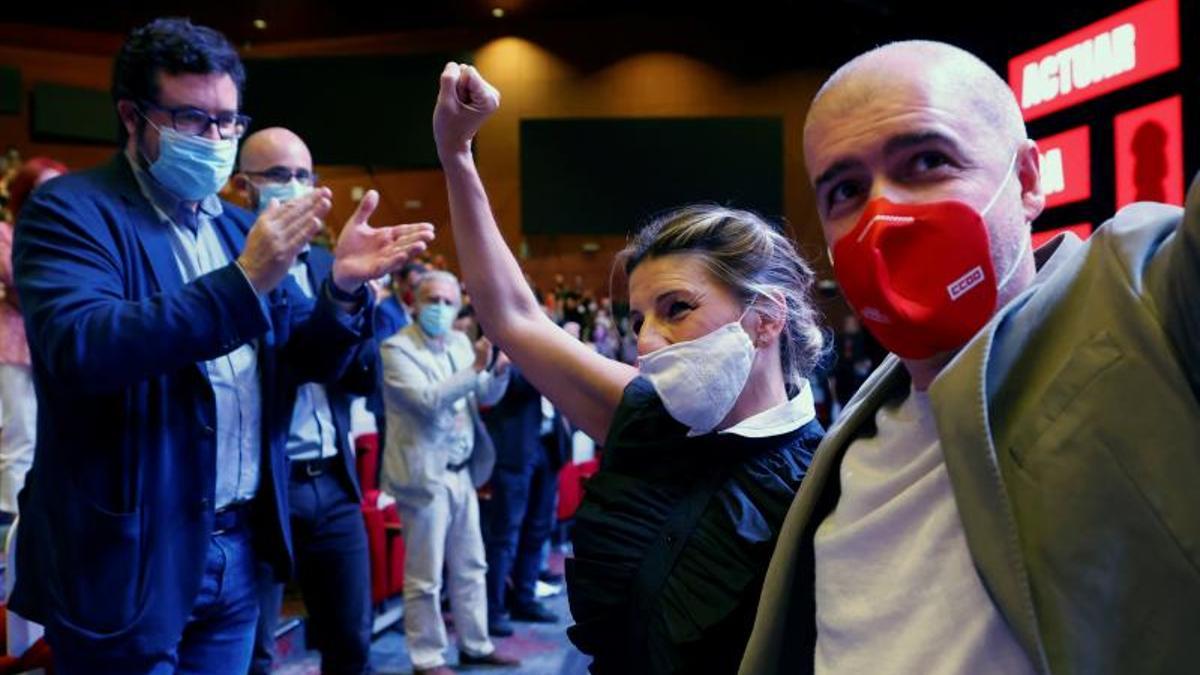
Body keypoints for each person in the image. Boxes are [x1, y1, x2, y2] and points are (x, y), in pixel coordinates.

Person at [740, 40, 1200, 675]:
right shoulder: (853, 451)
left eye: (926, 161)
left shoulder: (1147, 299)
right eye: (845, 190)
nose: (883, 212)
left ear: (1028, 180)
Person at [10, 18, 432, 673]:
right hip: (127, 552)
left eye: (228, 123)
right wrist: (245, 281)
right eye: (192, 120)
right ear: (133, 116)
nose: (215, 140)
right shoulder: (72, 211)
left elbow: (304, 360)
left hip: (238, 547)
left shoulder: (241, 227)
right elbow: (83, 346)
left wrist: (344, 289)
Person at [432, 63, 826, 673]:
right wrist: (458, 152)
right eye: (638, 318)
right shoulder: (643, 415)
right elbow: (513, 316)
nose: (648, 340)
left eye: (677, 309)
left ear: (766, 318)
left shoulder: (828, 478)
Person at [235, 127, 386, 675]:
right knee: (252, 649)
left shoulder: (329, 264)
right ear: (242, 187)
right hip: (262, 485)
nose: (294, 185)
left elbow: (366, 369)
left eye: (303, 174)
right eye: (278, 175)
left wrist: (361, 307)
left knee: (351, 638)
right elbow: (294, 360)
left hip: (333, 481)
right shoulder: (234, 267)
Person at [380, 270, 518, 675]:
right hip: (423, 476)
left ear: (459, 306)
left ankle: (475, 644)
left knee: (472, 565)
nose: (438, 308)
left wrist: (498, 371)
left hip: (462, 471)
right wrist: (476, 366)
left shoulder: (460, 342)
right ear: (414, 303)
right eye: (430, 300)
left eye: (446, 301)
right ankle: (427, 658)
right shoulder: (396, 348)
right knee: (425, 576)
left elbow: (484, 396)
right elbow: (428, 401)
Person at [0, 157, 65, 523]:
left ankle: (40, 518)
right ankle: (10, 524)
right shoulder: (7, 233)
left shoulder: (74, 234)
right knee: (20, 434)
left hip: (55, 345)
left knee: (51, 434)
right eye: (41, 188)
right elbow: (18, 282)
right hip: (13, 343)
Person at [481, 364, 564, 637]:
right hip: (514, 445)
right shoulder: (507, 338)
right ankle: (493, 609)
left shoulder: (552, 342)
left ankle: (524, 598)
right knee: (505, 533)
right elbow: (511, 382)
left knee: (538, 528)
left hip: (550, 443)